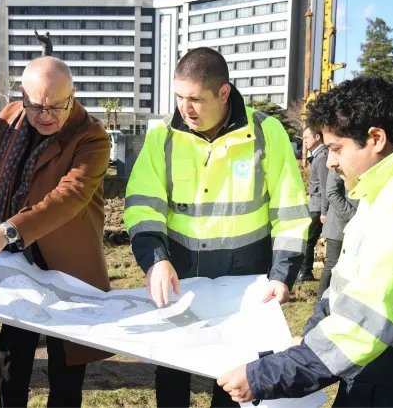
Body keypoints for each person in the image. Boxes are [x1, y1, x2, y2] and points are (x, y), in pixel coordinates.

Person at [217, 76, 393, 407]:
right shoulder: (387, 186)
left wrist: (262, 376)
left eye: (336, 149)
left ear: (375, 139)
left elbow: (364, 323)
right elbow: (346, 288)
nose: (331, 161)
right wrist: (308, 341)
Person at [123, 47, 310, 408]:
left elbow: (290, 210)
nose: (184, 108)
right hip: (179, 276)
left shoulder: (265, 132)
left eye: (195, 99)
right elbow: (144, 204)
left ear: (224, 93)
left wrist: (282, 274)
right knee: (172, 370)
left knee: (233, 377)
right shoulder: (162, 135)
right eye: (179, 97)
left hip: (245, 282)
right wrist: (155, 260)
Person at [0, 56, 112, 408]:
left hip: (68, 261)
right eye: (34, 106)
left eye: (55, 107)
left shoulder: (92, 136)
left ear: (72, 95)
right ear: (21, 95)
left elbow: (69, 197)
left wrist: (6, 230)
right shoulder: (8, 120)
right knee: (12, 359)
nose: (44, 115)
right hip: (16, 263)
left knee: (66, 366)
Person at [316, 168, 357, 299]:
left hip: (357, 224)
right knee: (332, 264)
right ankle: (321, 301)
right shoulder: (337, 161)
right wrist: (355, 216)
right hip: (339, 224)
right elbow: (332, 192)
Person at [298, 126, 327, 282]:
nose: (304, 141)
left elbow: (324, 186)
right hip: (315, 205)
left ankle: (305, 272)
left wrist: (324, 211)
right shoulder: (317, 156)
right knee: (308, 239)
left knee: (308, 239)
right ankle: (305, 271)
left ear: (317, 137)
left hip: (318, 207)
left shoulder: (322, 157)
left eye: (306, 137)